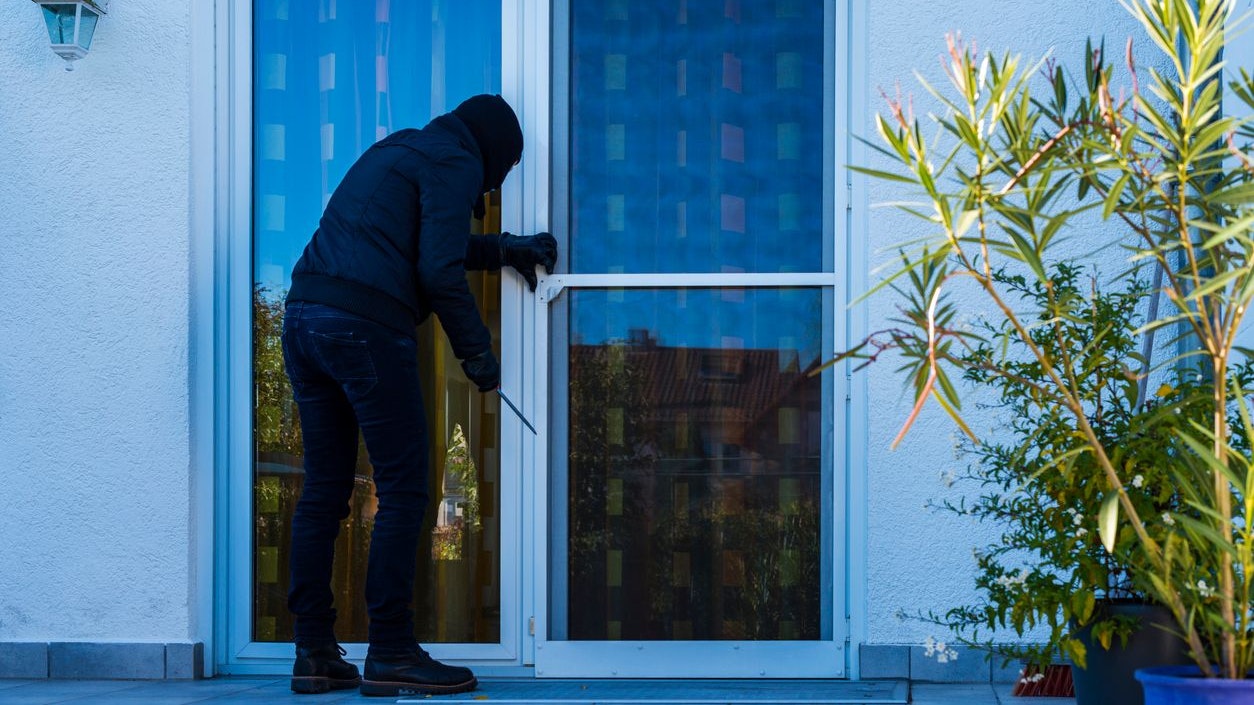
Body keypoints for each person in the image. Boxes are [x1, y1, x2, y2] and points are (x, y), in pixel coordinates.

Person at [280, 94, 556, 697]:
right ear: (493, 155)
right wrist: (479, 356)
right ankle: (393, 650)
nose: (490, 188)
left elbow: (432, 244)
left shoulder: (403, 147)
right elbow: (438, 270)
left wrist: (507, 249)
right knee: (404, 488)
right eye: (500, 175)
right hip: (363, 325)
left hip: (303, 317)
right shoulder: (457, 161)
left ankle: (315, 653)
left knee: (324, 491)